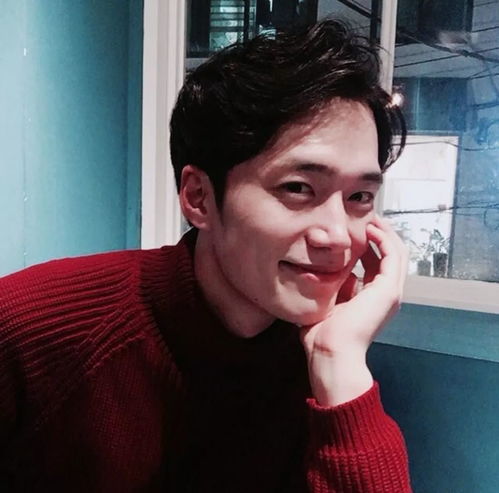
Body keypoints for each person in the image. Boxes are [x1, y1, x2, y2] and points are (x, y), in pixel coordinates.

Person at [0, 19, 411, 492]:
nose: (338, 237)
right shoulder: (33, 329)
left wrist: (338, 363)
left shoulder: (328, 358)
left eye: (359, 197)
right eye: (298, 188)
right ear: (198, 197)